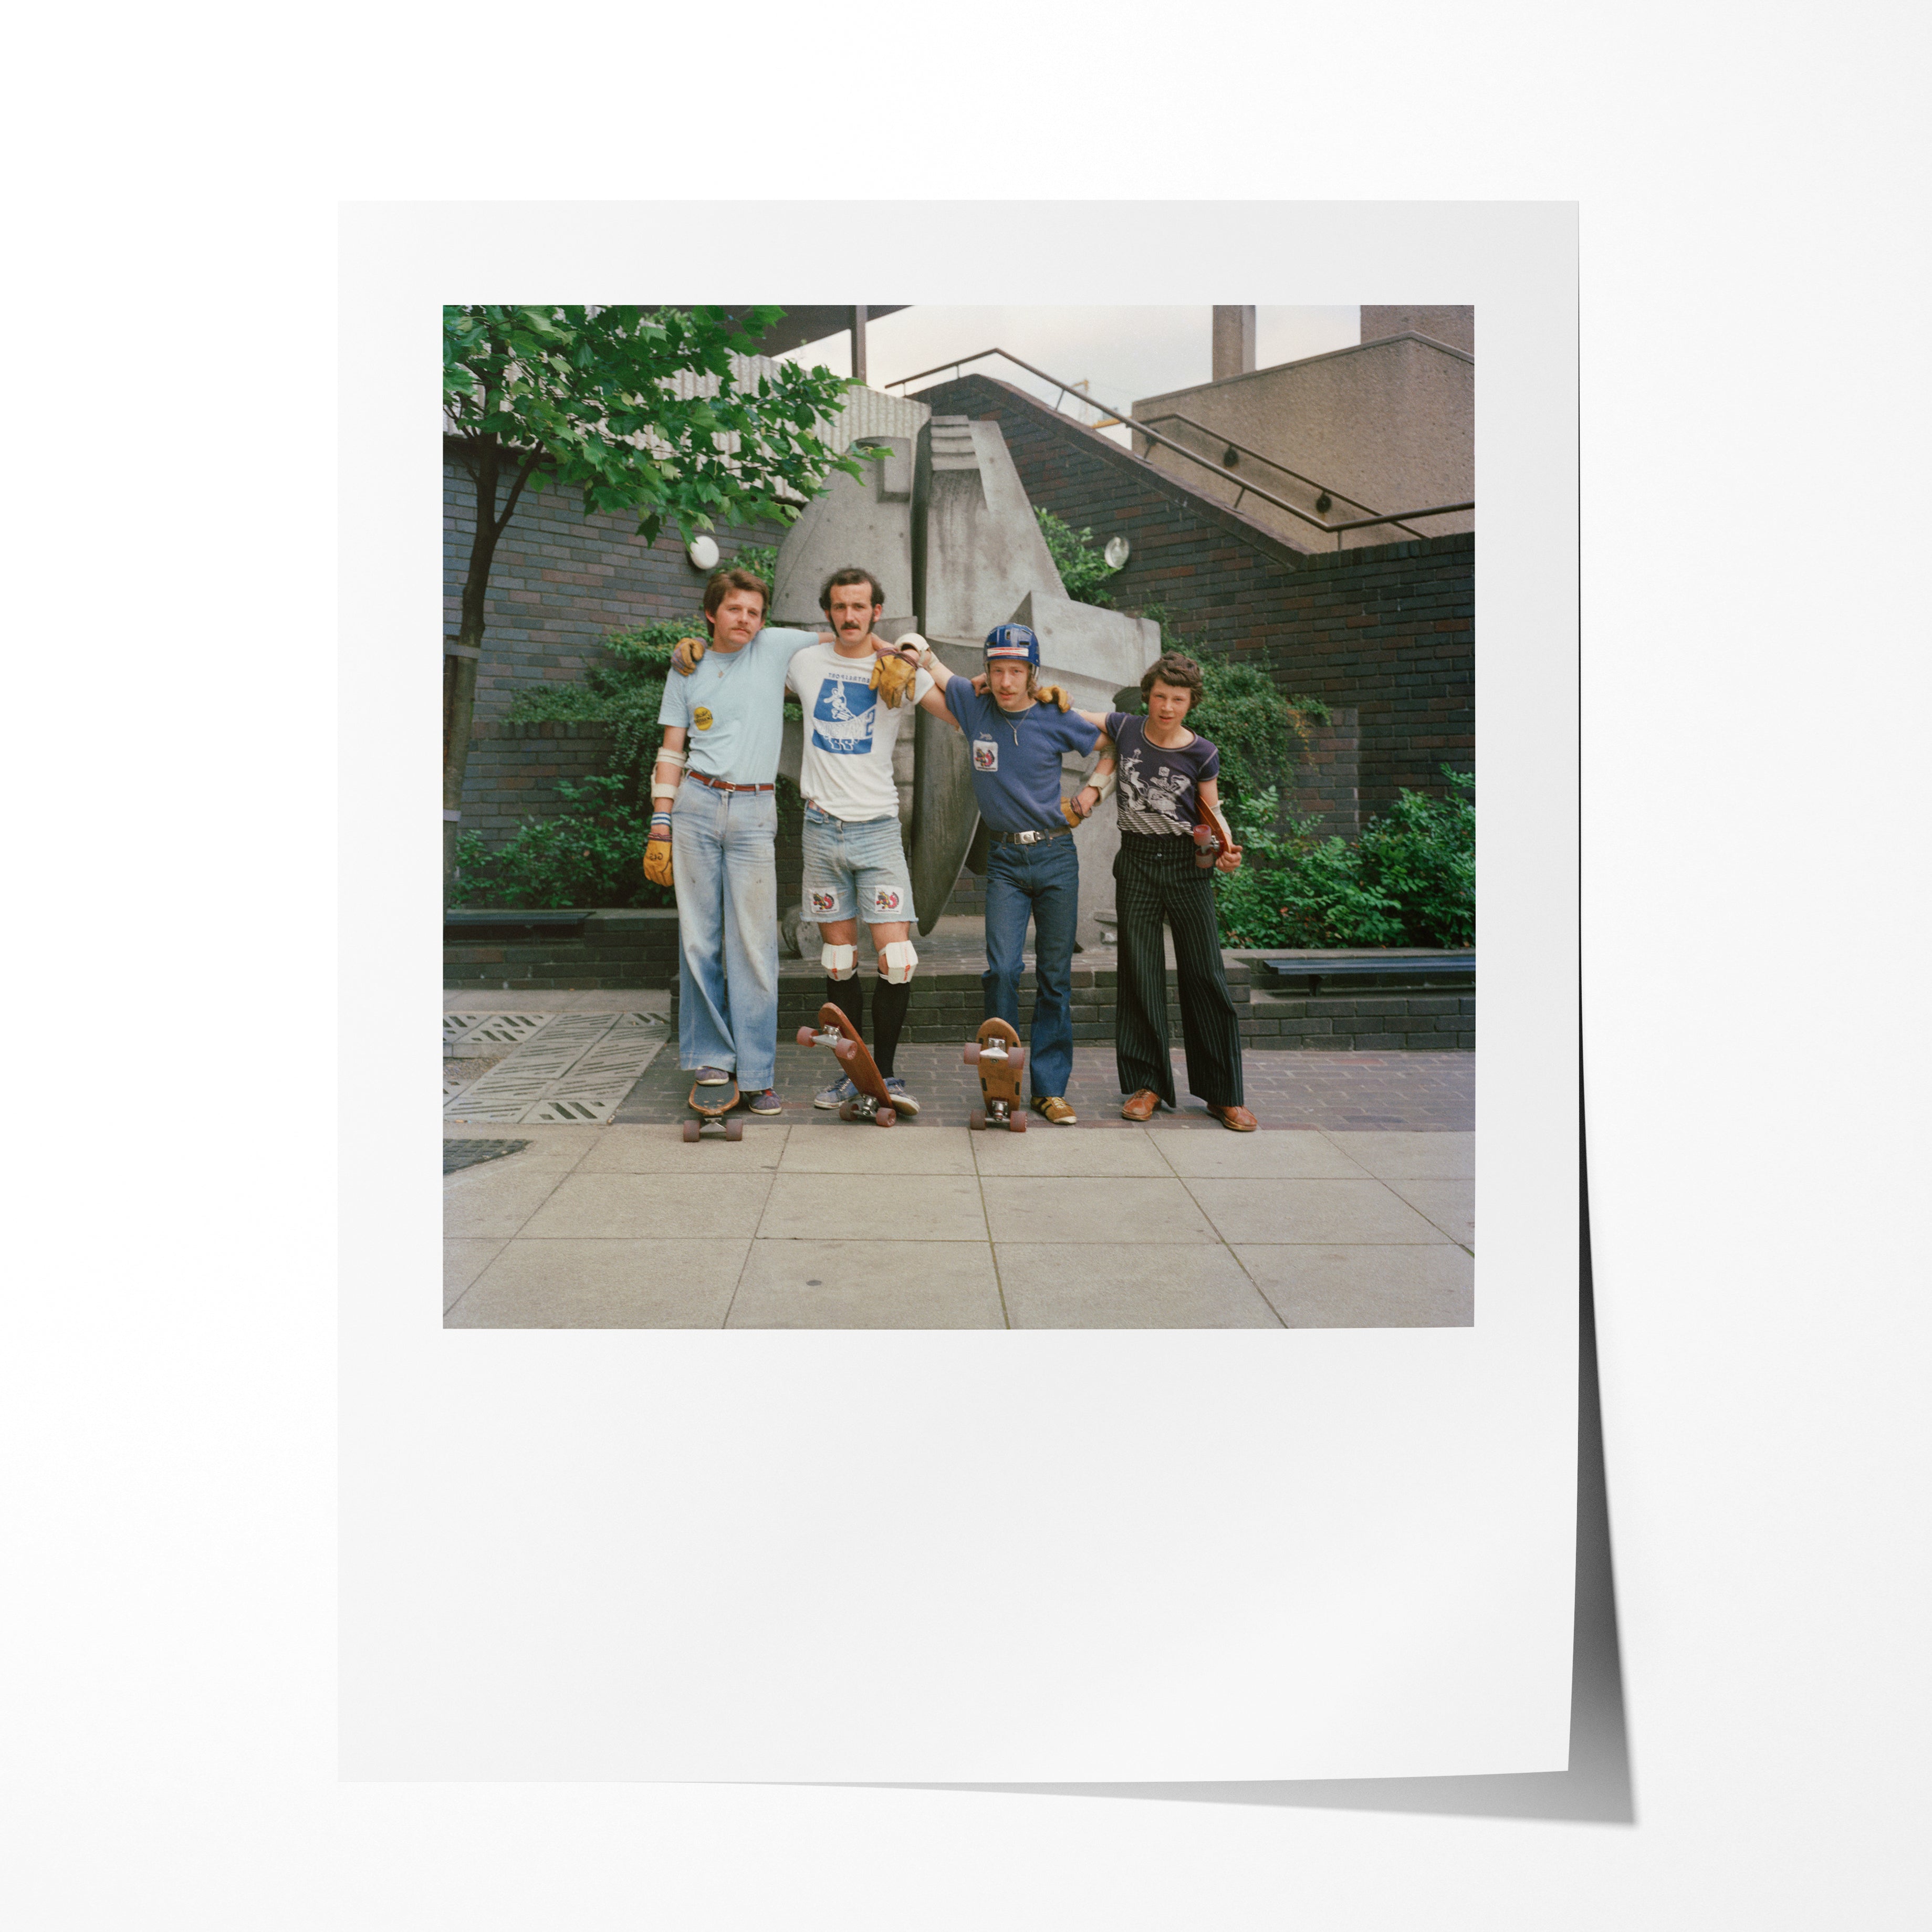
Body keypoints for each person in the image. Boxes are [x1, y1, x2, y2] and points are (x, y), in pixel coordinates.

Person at [647, 567, 906, 1116]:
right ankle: (714, 1060)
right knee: (699, 940)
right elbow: (671, 748)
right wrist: (661, 821)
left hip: (754, 809)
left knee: (756, 945)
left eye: (755, 612)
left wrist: (904, 653)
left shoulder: (775, 646)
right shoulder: (686, 667)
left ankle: (758, 1073)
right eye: (735, 609)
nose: (746, 620)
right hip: (694, 806)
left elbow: (851, 636)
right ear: (711, 613)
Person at [906, 624, 1115, 1124]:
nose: (1004, 681)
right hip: (1004, 862)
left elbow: (1116, 743)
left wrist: (1091, 795)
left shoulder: (1054, 715)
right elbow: (926, 660)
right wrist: (911, 648)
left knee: (1053, 976)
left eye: (1015, 671)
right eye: (997, 670)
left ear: (1032, 674)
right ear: (987, 670)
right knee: (1001, 969)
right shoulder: (973, 703)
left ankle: (1049, 1089)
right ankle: (1000, 1079)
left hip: (1055, 857)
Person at [1077, 650, 1257, 1131]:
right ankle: (1147, 1084)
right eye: (1160, 696)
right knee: (1140, 973)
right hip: (1136, 860)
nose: (1167, 707)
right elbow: (1074, 714)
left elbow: (1211, 813)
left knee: (1205, 974)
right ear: (1147, 696)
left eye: (1178, 699)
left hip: (1187, 865)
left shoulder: (1203, 752)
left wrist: (1225, 848)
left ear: (1190, 702)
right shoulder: (1126, 728)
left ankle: (1223, 1094)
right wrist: (1036, 693)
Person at [783, 568, 933, 1116]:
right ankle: (852, 1075)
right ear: (828, 611)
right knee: (839, 959)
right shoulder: (803, 662)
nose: (850, 616)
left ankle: (886, 1073)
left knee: (896, 959)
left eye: (860, 606)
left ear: (876, 610)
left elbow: (955, 708)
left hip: (877, 831)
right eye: (840, 607)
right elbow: (745, 669)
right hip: (822, 831)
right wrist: (693, 658)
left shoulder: (895, 666)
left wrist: (917, 653)